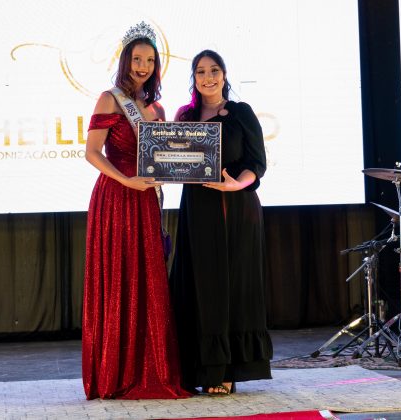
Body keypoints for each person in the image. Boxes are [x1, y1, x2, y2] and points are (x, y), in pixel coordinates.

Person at [81, 22, 190, 400]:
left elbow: (162, 158)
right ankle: (115, 373)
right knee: (120, 279)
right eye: (137, 59)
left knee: (148, 280)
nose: (143, 66)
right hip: (116, 197)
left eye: (150, 60)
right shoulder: (109, 99)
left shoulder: (157, 108)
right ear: (125, 60)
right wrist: (126, 180)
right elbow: (92, 152)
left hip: (146, 200)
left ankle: (150, 368)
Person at [170, 50, 273, 395]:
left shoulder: (241, 113)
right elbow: (171, 159)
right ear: (194, 78)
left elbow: (257, 164)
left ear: (224, 75)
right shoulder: (185, 117)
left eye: (214, 70)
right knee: (201, 286)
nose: (208, 77)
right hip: (198, 208)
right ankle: (199, 368)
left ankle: (227, 369)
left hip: (235, 207)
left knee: (231, 287)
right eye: (200, 71)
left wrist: (235, 184)